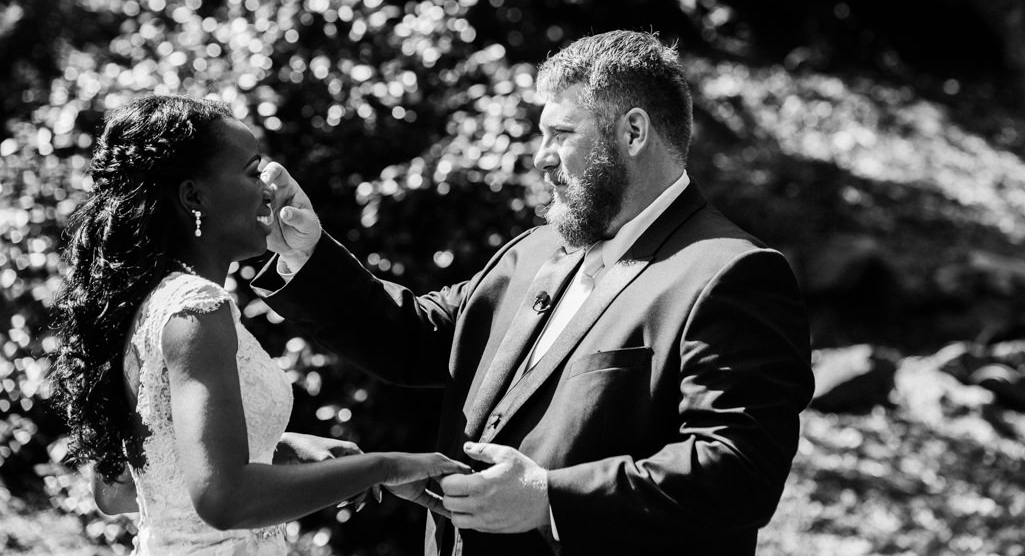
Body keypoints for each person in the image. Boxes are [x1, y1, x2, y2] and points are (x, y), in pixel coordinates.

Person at [257, 30, 815, 556]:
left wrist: (549, 498)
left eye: (562, 135)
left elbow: (740, 470)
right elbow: (415, 340)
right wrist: (307, 253)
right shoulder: (533, 250)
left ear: (634, 132)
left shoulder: (731, 273)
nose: (540, 156)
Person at [48, 95, 467, 556]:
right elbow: (223, 499)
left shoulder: (142, 305)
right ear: (194, 196)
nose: (270, 189)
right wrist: (386, 467)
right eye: (253, 172)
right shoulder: (198, 310)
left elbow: (121, 490)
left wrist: (284, 451)